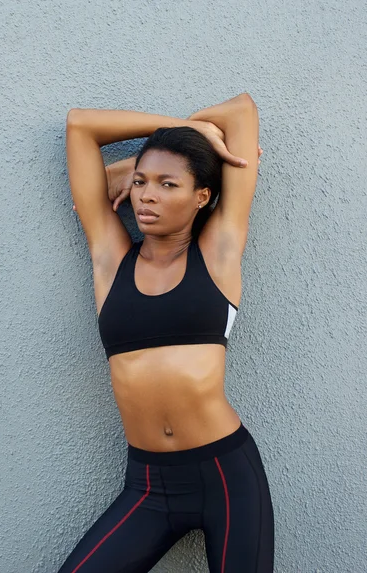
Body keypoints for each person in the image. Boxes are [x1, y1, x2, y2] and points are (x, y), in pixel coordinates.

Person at [58, 93, 274, 573]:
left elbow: (241, 112)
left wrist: (195, 139)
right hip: (149, 484)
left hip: (227, 475)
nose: (146, 195)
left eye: (166, 183)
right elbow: (80, 126)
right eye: (138, 182)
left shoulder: (218, 250)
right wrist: (178, 131)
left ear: (201, 196)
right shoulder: (111, 257)